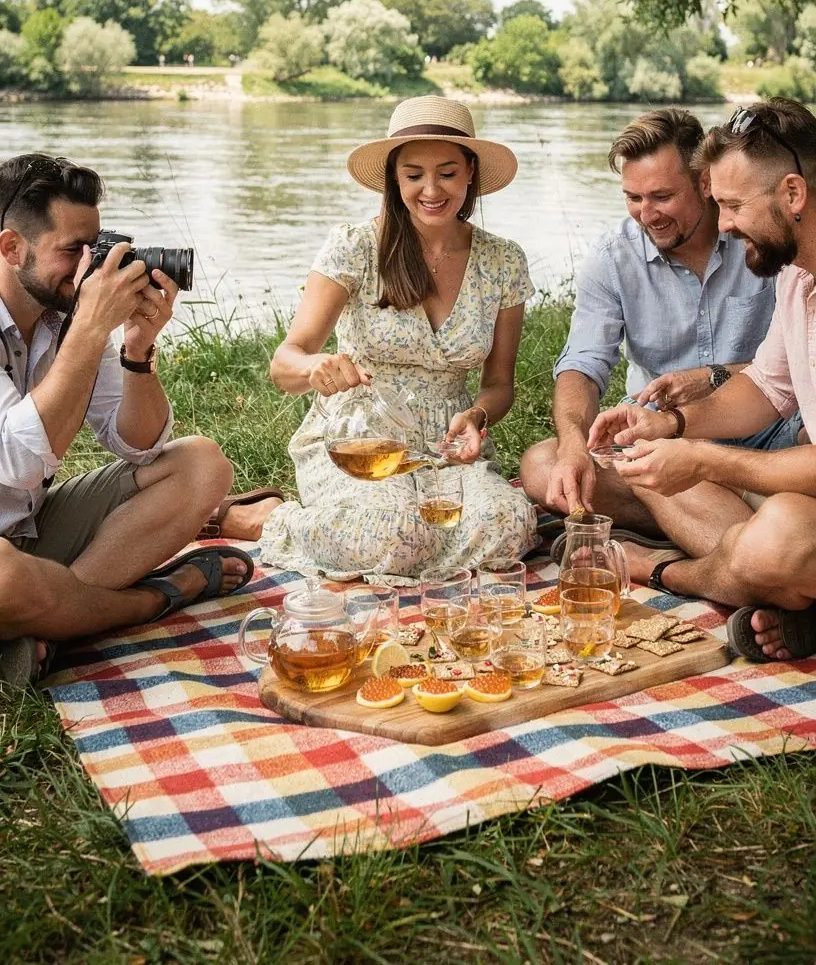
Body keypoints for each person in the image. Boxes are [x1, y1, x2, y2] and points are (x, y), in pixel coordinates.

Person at [254, 97, 538, 584]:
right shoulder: (355, 246)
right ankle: (264, 517)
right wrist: (314, 367)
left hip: (444, 444)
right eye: (413, 175)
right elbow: (285, 362)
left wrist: (475, 416)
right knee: (391, 530)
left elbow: (500, 384)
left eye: (447, 173)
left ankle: (412, 546)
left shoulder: (503, 260)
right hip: (361, 439)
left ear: (470, 172)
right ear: (394, 179)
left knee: (509, 523)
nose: (431, 190)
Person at [0, 153, 252, 688]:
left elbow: (137, 445)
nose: (92, 269)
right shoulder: (80, 319)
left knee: (201, 464)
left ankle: (52, 623)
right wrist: (91, 329)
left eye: (97, 248)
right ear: (10, 247)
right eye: (73, 252)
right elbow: (15, 465)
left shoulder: (64, 312)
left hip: (32, 530)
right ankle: (150, 599)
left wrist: (137, 351)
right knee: (5, 579)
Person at [588, 99, 816, 663]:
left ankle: (671, 571)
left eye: (735, 205)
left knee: (779, 536)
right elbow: (766, 386)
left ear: (793, 194)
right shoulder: (795, 277)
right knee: (778, 526)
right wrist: (670, 425)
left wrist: (705, 461)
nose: (727, 222)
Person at [520, 108, 797, 528]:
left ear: (704, 183)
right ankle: (749, 531)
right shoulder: (614, 256)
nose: (647, 215)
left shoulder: (761, 238)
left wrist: (713, 376)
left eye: (662, 196)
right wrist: (574, 445)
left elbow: (788, 372)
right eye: (634, 198)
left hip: (771, 433)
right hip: (660, 433)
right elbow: (582, 364)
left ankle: (718, 526)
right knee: (543, 465)